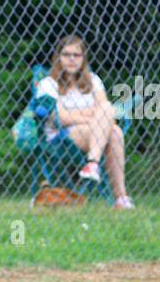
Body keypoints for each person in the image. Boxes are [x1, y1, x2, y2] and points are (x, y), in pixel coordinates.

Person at [37, 35, 134, 209]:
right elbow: (59, 117)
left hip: (95, 133)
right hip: (62, 137)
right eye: (67, 54)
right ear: (58, 57)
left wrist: (87, 115)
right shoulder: (48, 84)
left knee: (115, 131)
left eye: (77, 55)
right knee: (110, 127)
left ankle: (116, 193)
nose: (72, 59)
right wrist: (94, 116)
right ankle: (109, 183)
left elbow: (105, 109)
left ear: (83, 58)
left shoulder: (93, 80)